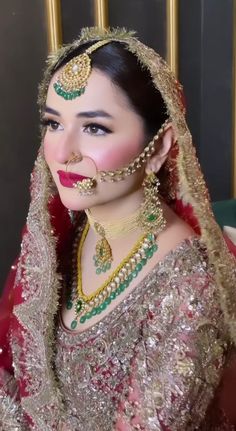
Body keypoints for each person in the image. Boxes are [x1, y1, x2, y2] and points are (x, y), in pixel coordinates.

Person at [0, 26, 236, 431]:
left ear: (159, 146)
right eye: (53, 123)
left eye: (94, 128)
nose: (62, 152)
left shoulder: (192, 286)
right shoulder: (66, 233)